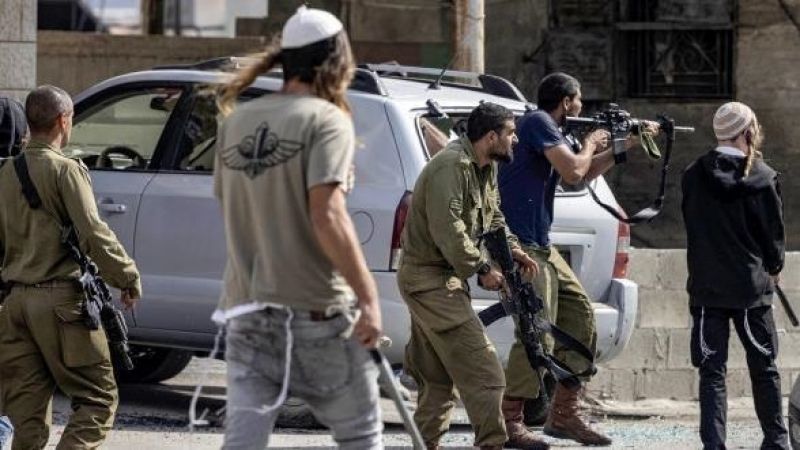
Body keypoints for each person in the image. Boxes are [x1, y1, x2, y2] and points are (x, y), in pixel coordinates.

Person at [213, 6, 383, 449]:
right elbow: (328, 215)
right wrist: (368, 298)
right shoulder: (327, 119)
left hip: (246, 310)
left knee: (243, 442)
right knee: (361, 435)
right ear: (338, 60)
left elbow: (234, 204)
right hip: (314, 311)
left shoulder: (236, 122)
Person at [498, 72, 658, 446]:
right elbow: (573, 168)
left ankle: (564, 415)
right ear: (567, 101)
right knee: (536, 330)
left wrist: (628, 143)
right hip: (521, 246)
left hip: (541, 245)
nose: (582, 105)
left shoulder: (555, 133)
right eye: (579, 99)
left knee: (582, 318)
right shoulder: (538, 122)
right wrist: (590, 142)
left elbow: (580, 177)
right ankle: (511, 421)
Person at [399, 102, 547, 450]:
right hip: (428, 281)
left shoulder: (485, 167)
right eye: (510, 133)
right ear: (491, 136)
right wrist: (481, 268)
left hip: (444, 280)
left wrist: (512, 250)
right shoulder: (451, 166)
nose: (515, 140)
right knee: (486, 372)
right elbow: (448, 229)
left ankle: (425, 444)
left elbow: (493, 218)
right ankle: (492, 443)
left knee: (437, 380)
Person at [0, 85, 141, 449]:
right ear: (63, 120)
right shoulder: (66, 169)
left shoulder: (5, 173)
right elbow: (93, 232)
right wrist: (126, 275)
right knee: (98, 398)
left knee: (26, 417)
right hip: (62, 304)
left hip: (15, 305)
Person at [682, 102, 788, 450]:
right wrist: (774, 266)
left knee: (712, 372)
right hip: (750, 289)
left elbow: (693, 225)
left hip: (707, 290)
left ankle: (714, 446)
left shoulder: (693, 174)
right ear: (748, 131)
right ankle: (776, 441)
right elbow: (772, 233)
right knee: (764, 367)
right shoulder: (763, 176)